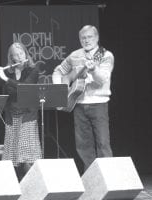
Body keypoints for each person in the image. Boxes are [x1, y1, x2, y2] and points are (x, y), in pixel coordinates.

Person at [52, 25, 114, 172]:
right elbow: (58, 71)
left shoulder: (105, 55)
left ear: (97, 38)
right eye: (83, 38)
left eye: (90, 37)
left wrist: (93, 69)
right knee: (83, 144)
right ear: (80, 39)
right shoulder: (74, 55)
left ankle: (109, 178)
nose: (86, 40)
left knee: (103, 143)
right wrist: (61, 89)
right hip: (78, 103)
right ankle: (90, 177)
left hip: (98, 103)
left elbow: (102, 79)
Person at [0, 42, 42, 181]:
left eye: (21, 53)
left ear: (25, 53)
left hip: (28, 116)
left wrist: (5, 79)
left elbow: (25, 87)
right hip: (12, 116)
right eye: (16, 55)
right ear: (12, 58)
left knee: (26, 155)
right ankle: (18, 187)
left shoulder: (33, 70)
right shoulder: (7, 71)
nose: (19, 56)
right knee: (13, 156)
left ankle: (33, 184)